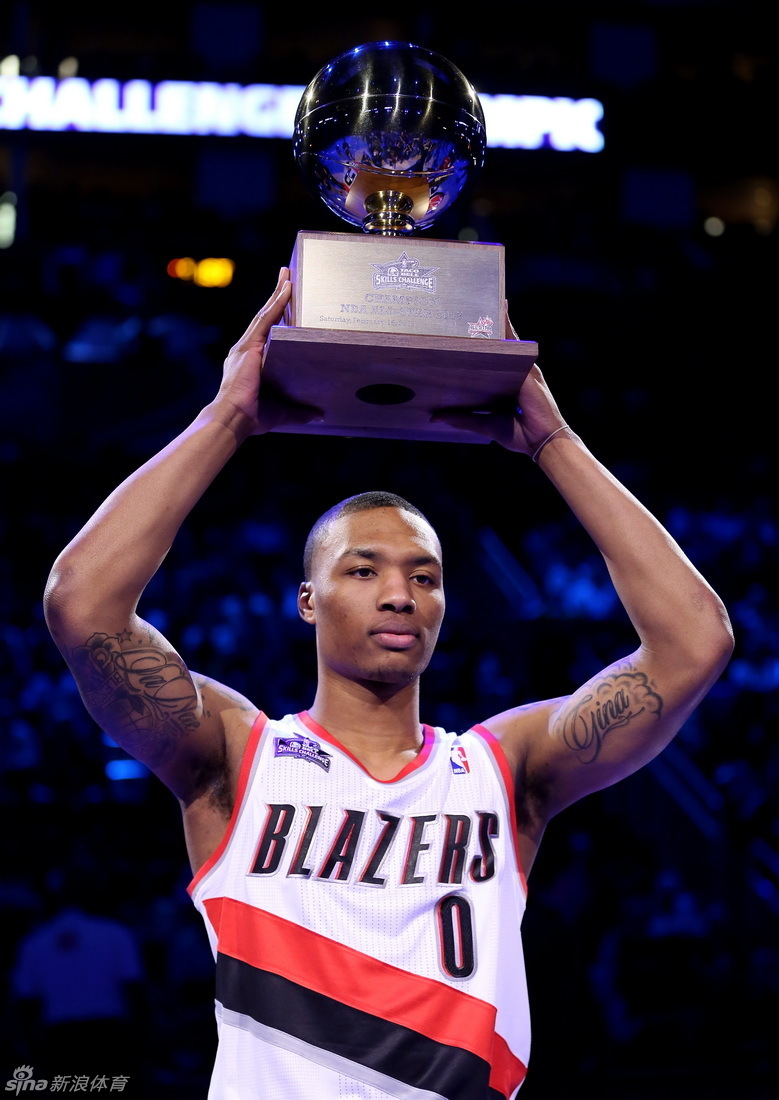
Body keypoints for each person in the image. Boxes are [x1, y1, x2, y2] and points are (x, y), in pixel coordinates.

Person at [42, 267, 734, 1100]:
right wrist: (226, 417)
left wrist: (553, 442)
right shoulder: (234, 755)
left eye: (426, 575)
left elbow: (694, 643)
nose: (400, 593)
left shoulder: (502, 770)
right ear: (306, 600)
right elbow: (82, 606)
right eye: (363, 569)